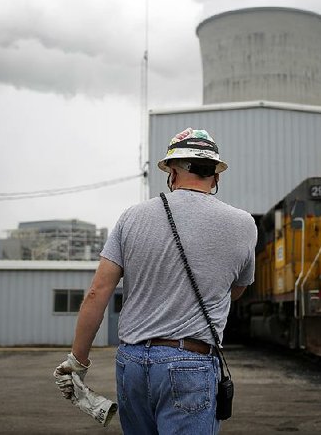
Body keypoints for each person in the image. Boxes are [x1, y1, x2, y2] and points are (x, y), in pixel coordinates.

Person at [54, 128, 257, 434]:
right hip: (190, 363)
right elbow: (237, 290)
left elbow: (98, 293)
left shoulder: (132, 217)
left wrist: (77, 361)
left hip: (131, 363)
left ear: (172, 172)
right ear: (215, 176)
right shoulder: (243, 224)